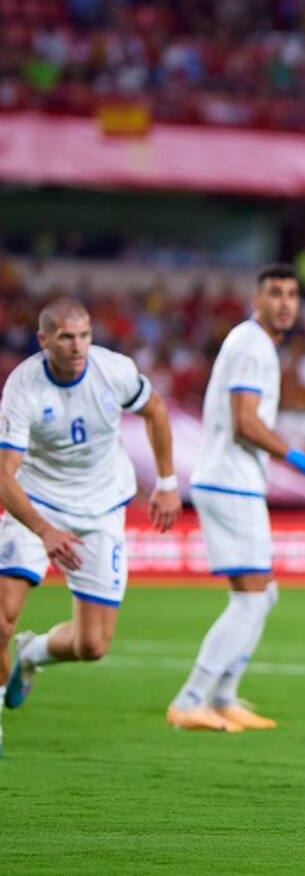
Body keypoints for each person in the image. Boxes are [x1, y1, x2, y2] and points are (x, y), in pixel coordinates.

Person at [1, 298, 180, 757]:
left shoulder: (113, 370)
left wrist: (166, 483)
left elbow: (156, 410)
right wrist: (43, 530)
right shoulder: (23, 386)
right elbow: (5, 474)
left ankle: (31, 653)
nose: (77, 346)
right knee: (2, 616)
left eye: (84, 335)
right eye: (66, 337)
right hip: (37, 504)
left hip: (100, 510)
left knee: (92, 645)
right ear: (44, 341)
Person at [166, 264, 305, 733]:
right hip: (230, 482)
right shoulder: (251, 345)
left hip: (234, 481)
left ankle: (223, 697)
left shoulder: (254, 344)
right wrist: (295, 458)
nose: (285, 303)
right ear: (255, 299)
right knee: (250, 601)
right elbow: (244, 421)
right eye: (275, 293)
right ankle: (190, 699)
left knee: (264, 595)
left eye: (292, 295)